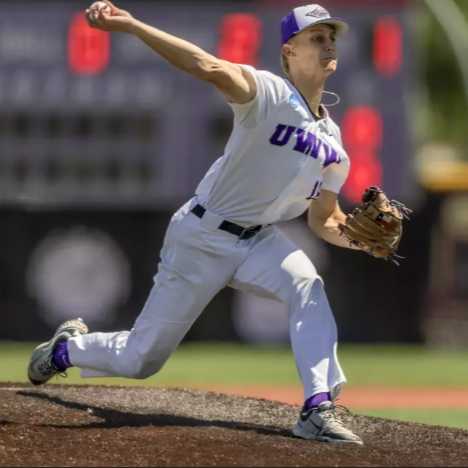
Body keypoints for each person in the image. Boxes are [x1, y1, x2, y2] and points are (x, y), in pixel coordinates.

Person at [28, 2, 365, 445]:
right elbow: (205, 64)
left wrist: (362, 242)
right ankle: (65, 349)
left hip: (259, 241)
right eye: (316, 38)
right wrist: (131, 25)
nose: (328, 45)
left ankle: (317, 407)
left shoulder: (334, 141)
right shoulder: (266, 92)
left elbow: (327, 219)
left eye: (331, 38)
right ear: (289, 51)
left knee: (308, 285)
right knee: (141, 360)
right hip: (203, 236)